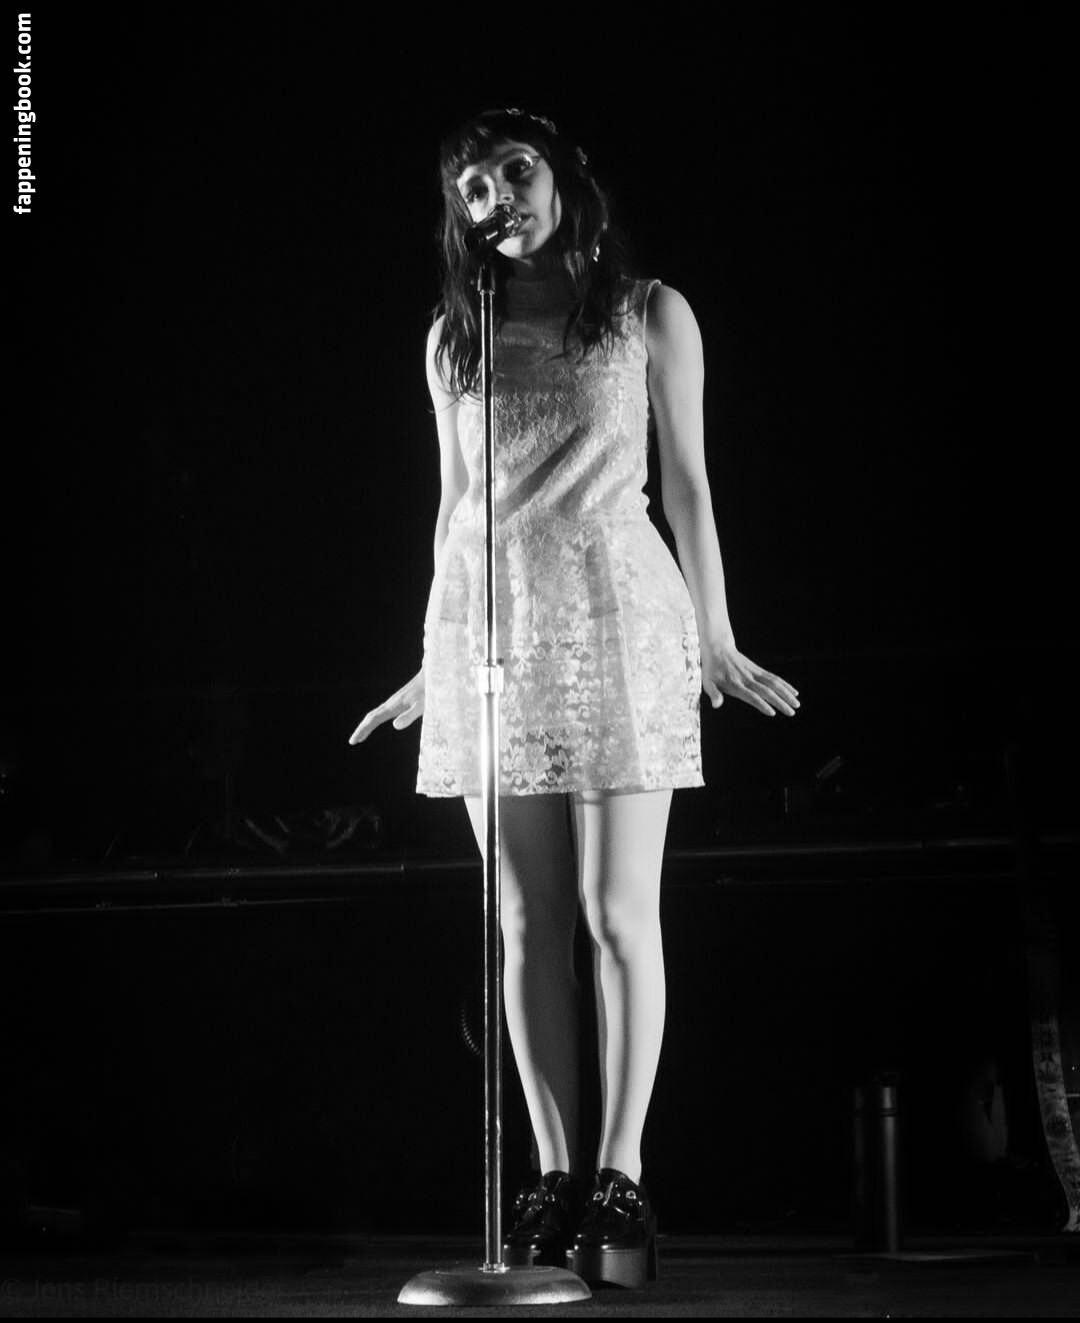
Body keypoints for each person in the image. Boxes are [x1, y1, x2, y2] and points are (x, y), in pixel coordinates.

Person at [348, 107, 800, 1288]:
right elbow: (455, 507)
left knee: (612, 912)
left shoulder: (650, 312)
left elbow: (688, 484)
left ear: (562, 178)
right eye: (475, 188)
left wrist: (715, 635)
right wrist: (432, 654)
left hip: (614, 614)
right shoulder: (455, 338)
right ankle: (552, 1175)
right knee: (525, 919)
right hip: (495, 632)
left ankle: (621, 1175)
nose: (498, 198)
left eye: (516, 170)